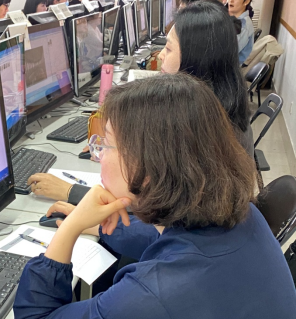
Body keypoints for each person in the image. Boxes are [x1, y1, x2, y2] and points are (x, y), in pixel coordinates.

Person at [13, 73, 296, 319]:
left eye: (106, 145)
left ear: (150, 168)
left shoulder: (164, 290)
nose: (97, 155)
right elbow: (163, 236)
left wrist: (69, 229)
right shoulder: (238, 213)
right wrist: (98, 226)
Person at [28, 0, 253, 204]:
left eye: (169, 48)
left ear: (195, 58)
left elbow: (153, 210)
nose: (161, 55)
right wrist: (114, 151)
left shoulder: (203, 127)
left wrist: (71, 192)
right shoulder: (217, 105)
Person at [228, 0, 254, 64]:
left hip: (231, 67)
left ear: (246, 2)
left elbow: (227, 53)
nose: (231, 0)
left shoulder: (243, 26)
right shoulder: (233, 19)